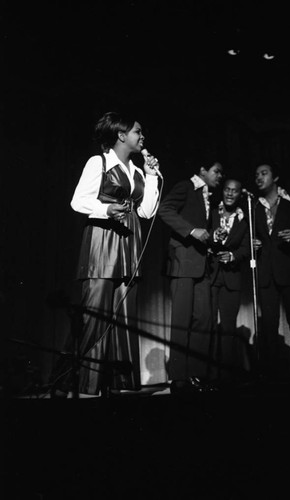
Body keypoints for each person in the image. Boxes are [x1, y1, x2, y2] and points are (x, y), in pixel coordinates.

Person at [52, 111, 161, 397]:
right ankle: (75, 382)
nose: (142, 136)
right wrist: (106, 209)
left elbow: (147, 211)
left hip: (130, 243)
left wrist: (151, 178)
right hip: (103, 241)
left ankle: (119, 383)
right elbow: (78, 201)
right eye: (138, 131)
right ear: (121, 135)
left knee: (124, 316)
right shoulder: (98, 162)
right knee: (94, 315)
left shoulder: (137, 171)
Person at [157, 156, 224, 393]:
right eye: (216, 171)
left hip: (202, 265)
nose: (219, 176)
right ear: (203, 170)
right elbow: (164, 209)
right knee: (181, 321)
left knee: (204, 320)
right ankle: (178, 377)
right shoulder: (186, 187)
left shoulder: (209, 197)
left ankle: (197, 375)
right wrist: (191, 230)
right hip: (183, 263)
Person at [253, 162, 290, 384]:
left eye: (264, 173)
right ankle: (274, 379)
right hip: (266, 274)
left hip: (289, 270)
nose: (259, 177)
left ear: (275, 178)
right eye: (256, 174)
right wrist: (254, 243)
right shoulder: (254, 207)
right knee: (269, 328)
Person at [208, 178, 250, 385]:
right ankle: (208, 375)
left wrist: (233, 256)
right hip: (211, 275)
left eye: (235, 191)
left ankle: (226, 377)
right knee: (207, 326)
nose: (230, 194)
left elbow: (246, 247)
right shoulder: (211, 212)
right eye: (227, 189)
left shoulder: (245, 218)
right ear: (222, 191)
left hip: (232, 278)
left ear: (240, 194)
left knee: (228, 328)